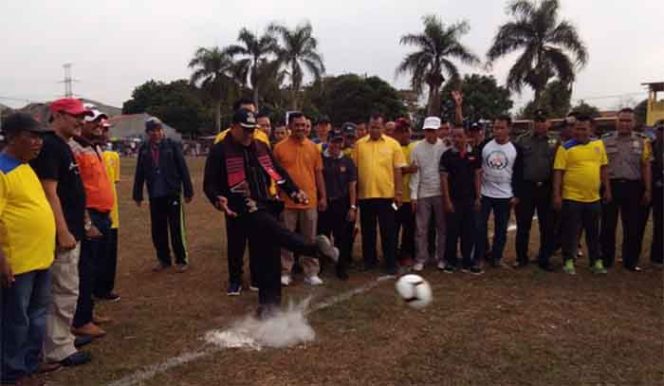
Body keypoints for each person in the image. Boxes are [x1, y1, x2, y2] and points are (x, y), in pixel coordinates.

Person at [202, 108, 338, 318]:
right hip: (240, 209)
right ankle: (313, 248)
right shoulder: (221, 150)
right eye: (245, 130)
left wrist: (294, 191)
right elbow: (209, 184)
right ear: (233, 127)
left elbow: (278, 173)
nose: (249, 135)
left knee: (268, 258)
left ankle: (270, 306)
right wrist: (218, 200)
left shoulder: (261, 147)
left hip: (265, 204)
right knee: (275, 231)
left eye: (252, 130)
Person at [31, 98, 93, 368]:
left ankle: (62, 336)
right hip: (62, 232)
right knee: (63, 288)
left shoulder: (62, 145)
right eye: (75, 116)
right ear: (58, 115)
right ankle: (57, 347)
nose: (81, 121)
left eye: (82, 116)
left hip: (72, 228)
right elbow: (49, 192)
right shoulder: (51, 147)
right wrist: (63, 230)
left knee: (67, 287)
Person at [0, 113, 56, 385]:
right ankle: (12, 371)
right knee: (15, 319)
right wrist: (2, 260)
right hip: (18, 262)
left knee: (37, 315)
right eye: (31, 136)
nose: (38, 142)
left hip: (40, 257)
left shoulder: (26, 166)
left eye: (40, 137)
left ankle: (30, 362)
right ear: (11, 136)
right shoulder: (2, 169)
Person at [69, 107, 115, 338]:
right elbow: (76, 190)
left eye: (100, 123)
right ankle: (80, 319)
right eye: (94, 122)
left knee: (95, 268)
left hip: (103, 215)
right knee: (85, 270)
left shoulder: (94, 147)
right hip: (90, 216)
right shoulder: (75, 149)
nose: (99, 126)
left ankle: (88, 312)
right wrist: (87, 221)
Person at [132, 117, 194, 272]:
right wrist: (137, 194)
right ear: (147, 132)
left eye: (159, 130)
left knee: (176, 228)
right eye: (153, 130)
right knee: (158, 229)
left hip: (172, 192)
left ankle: (181, 259)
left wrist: (188, 190)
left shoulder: (172, 146)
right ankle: (163, 259)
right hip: (155, 194)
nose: (157, 133)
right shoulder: (144, 149)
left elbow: (183, 168)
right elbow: (139, 172)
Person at [274, 112, 327, 286]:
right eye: (297, 125)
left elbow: (318, 174)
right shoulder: (279, 148)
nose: (301, 128)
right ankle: (285, 271)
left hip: (309, 201)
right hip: (287, 201)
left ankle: (311, 271)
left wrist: (322, 196)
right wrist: (275, 194)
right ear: (290, 126)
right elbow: (274, 174)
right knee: (286, 237)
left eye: (304, 125)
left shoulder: (313, 147)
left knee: (309, 238)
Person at [553, 115, 610, 275]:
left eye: (583, 129)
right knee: (571, 231)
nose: (580, 132)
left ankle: (596, 261)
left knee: (593, 231)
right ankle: (569, 260)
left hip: (593, 197)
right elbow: (559, 172)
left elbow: (603, 168)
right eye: (577, 128)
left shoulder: (598, 145)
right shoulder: (565, 148)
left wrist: (607, 189)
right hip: (572, 197)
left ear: (590, 129)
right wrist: (557, 195)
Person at [353, 113, 406, 274]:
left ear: (383, 128)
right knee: (368, 231)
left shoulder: (393, 145)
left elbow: (398, 170)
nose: (374, 129)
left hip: (387, 195)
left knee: (388, 230)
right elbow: (354, 170)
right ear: (368, 127)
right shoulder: (359, 145)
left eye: (378, 126)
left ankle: (390, 262)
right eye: (372, 127)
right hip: (365, 195)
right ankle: (369, 261)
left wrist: (398, 192)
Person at [600, 108, 652, 271]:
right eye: (621, 120)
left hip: (633, 187)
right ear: (616, 121)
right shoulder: (605, 141)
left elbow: (646, 166)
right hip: (611, 186)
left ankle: (630, 261)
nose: (624, 124)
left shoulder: (643, 141)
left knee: (633, 226)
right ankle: (606, 259)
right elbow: (602, 167)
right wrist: (606, 189)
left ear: (634, 123)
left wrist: (648, 189)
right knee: (608, 226)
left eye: (628, 121)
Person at [513, 109, 558, 271]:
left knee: (547, 226)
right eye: (537, 121)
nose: (540, 124)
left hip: (546, 187)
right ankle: (521, 258)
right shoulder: (522, 140)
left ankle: (544, 258)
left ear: (549, 123)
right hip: (526, 188)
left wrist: (556, 191)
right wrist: (516, 191)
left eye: (543, 121)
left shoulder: (555, 141)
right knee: (523, 224)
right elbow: (516, 167)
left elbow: (558, 167)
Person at [475, 115, 521, 268]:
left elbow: (518, 173)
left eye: (501, 128)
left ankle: (497, 257)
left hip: (505, 195)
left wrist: (516, 194)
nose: (498, 131)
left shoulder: (515, 149)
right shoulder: (485, 146)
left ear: (509, 129)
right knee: (480, 226)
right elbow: (477, 169)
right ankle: (481, 255)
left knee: (501, 229)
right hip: (485, 193)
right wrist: (477, 193)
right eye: (495, 128)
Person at [440, 126, 484, 275]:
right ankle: (450, 261)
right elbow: (444, 179)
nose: (457, 139)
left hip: (470, 200)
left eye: (460, 136)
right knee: (452, 231)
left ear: (466, 137)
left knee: (469, 231)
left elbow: (477, 176)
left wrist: (478, 197)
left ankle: (467, 261)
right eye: (454, 137)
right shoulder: (447, 156)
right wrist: (447, 200)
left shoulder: (475, 154)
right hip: (454, 200)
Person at [410, 116, 449, 271]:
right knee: (421, 228)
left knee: (442, 228)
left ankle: (441, 257)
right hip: (423, 193)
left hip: (440, 193)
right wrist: (414, 195)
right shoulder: (417, 148)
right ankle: (421, 258)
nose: (430, 133)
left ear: (438, 130)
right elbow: (415, 173)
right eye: (427, 130)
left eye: (433, 130)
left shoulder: (444, 146)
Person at [318, 129, 358, 279]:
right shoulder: (321, 159)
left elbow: (352, 185)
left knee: (342, 237)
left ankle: (341, 267)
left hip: (342, 203)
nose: (336, 145)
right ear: (328, 141)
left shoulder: (348, 161)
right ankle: (321, 265)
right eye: (334, 141)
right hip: (325, 203)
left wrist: (353, 206)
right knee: (322, 237)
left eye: (339, 141)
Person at [99, 120, 121, 300]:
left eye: (106, 129)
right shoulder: (83, 154)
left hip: (111, 213)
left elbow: (114, 181)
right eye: (102, 129)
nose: (104, 132)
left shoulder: (112, 156)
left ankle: (106, 288)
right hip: (95, 215)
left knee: (109, 253)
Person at [393, 119, 417, 266]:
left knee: (409, 228)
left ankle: (406, 253)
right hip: (394, 198)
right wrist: (407, 169)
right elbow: (392, 170)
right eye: (402, 131)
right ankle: (393, 254)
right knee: (393, 227)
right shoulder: (392, 148)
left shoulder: (415, 147)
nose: (406, 134)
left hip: (410, 198)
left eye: (407, 130)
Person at [650, 122, 663, 267]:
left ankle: (657, 257)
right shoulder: (648, 145)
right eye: (660, 130)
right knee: (637, 225)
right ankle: (631, 255)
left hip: (662, 193)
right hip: (646, 189)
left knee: (660, 225)